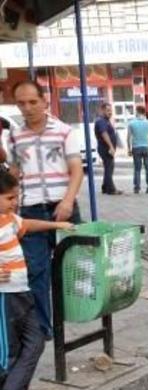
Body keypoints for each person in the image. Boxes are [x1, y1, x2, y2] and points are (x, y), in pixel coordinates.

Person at [7, 80, 84, 339]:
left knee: (75, 268)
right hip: (30, 212)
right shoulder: (14, 136)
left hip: (63, 208)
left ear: (44, 101)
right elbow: (15, 172)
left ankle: (78, 317)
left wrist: (67, 201)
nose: (27, 108)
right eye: (21, 103)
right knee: (34, 271)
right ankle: (42, 330)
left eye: (32, 102)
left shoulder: (63, 131)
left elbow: (76, 170)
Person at [0, 170, 73, 390]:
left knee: (36, 342)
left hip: (22, 292)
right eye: (9, 197)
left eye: (16, 196)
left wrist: (56, 225)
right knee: (9, 353)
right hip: (4, 299)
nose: (15, 202)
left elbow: (27, 225)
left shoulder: (9, 219)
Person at [94, 103, 122, 195]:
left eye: (111, 110)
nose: (110, 112)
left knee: (108, 168)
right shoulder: (101, 121)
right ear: (102, 111)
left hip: (106, 148)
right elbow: (104, 134)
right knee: (109, 168)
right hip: (105, 148)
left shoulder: (106, 120)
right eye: (108, 110)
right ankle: (111, 189)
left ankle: (105, 187)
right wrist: (110, 146)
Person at [126, 106, 148, 194]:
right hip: (146, 147)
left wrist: (129, 148)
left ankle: (137, 188)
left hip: (136, 147)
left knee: (137, 169)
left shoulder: (131, 123)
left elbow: (128, 137)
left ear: (138, 112)